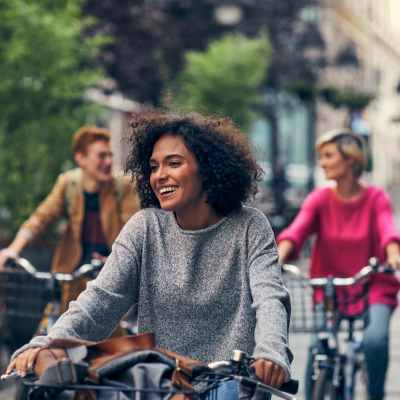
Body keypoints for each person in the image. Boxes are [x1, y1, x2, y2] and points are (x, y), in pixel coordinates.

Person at [6, 111, 293, 398]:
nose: (159, 176)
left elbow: (270, 297)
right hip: (163, 384)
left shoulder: (250, 227)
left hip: (231, 385)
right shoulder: (145, 227)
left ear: (207, 169)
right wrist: (44, 343)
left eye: (174, 163)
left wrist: (270, 353)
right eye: (154, 167)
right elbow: (99, 301)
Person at [277, 129, 400, 400]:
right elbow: (296, 231)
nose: (322, 163)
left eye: (329, 156)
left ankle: (376, 394)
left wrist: (393, 254)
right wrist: (277, 258)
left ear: (351, 160)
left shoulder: (375, 198)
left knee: (374, 340)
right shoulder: (319, 199)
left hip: (373, 283)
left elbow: (387, 228)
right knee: (317, 346)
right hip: (331, 286)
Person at [0, 126, 140, 333]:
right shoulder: (68, 184)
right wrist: (14, 249)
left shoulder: (122, 186)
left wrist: (120, 261)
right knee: (55, 333)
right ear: (81, 158)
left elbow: (134, 229)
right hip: (71, 271)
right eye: (101, 156)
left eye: (110, 155)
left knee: (107, 338)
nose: (108, 162)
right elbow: (41, 218)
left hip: (108, 271)